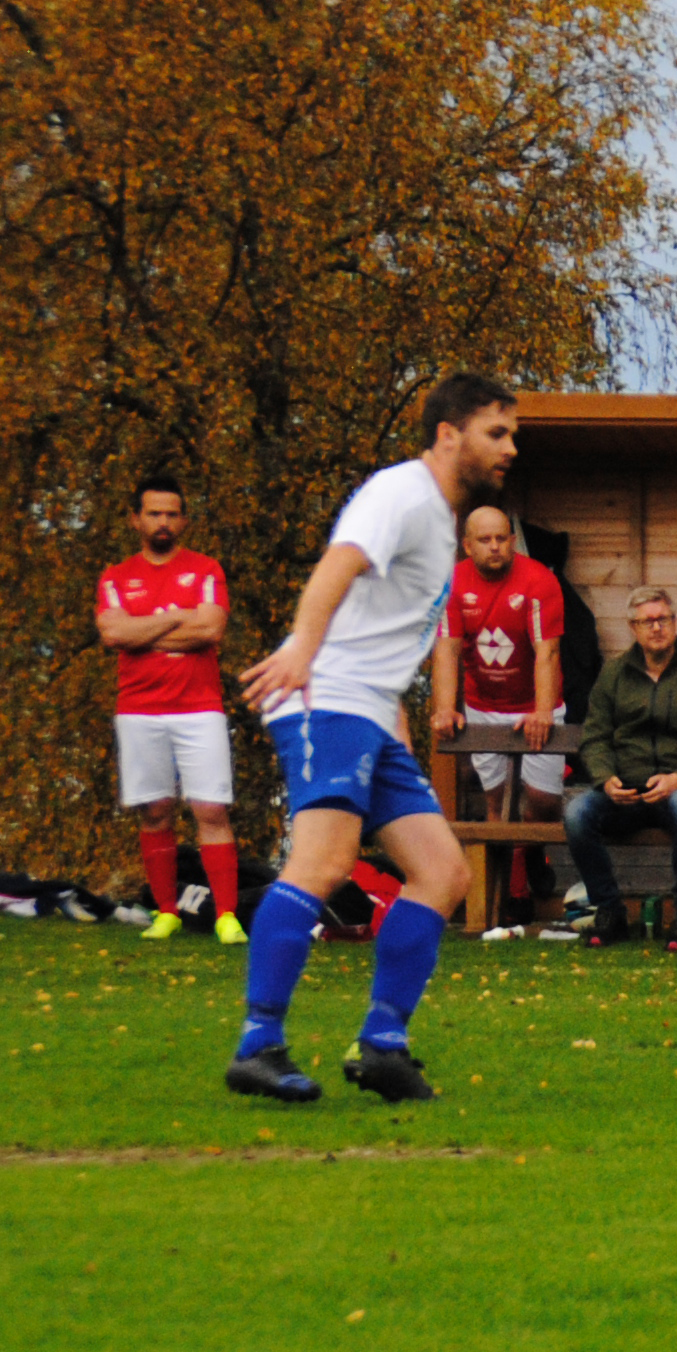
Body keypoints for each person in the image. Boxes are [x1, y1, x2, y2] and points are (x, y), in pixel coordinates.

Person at [223, 374, 520, 1105]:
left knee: (444, 874)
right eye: (497, 432)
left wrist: (393, 725)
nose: (510, 447)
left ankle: (383, 1044)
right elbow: (338, 565)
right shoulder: (403, 494)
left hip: (368, 713)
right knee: (324, 861)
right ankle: (258, 1045)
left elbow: (379, 625)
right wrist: (301, 652)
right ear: (449, 434)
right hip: (328, 701)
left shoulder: (438, 514)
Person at [96, 477, 241, 943]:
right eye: (154, 513)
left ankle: (226, 916)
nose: (163, 522)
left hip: (199, 707)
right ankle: (166, 912)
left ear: (184, 520)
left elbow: (210, 632)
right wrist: (180, 616)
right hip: (139, 708)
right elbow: (114, 636)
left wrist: (146, 630)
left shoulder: (205, 570)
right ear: (135, 519)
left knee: (211, 807)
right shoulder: (116, 576)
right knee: (155, 810)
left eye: (172, 513)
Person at [566, 587, 677, 950]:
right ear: (633, 627)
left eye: (663, 619)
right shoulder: (612, 675)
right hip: (625, 791)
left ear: (675, 623)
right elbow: (594, 737)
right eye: (648, 621)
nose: (657, 627)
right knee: (577, 812)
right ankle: (609, 911)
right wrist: (605, 779)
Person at [430, 505, 566, 915]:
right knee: (497, 804)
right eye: (485, 540)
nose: (495, 547)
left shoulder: (539, 581)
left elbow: (548, 652)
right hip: (484, 705)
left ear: (511, 540)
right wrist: (444, 708)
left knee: (541, 803)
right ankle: (506, 899)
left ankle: (534, 851)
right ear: (467, 545)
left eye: (501, 538)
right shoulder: (451, 585)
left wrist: (542, 712)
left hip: (535, 704)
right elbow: (447, 648)